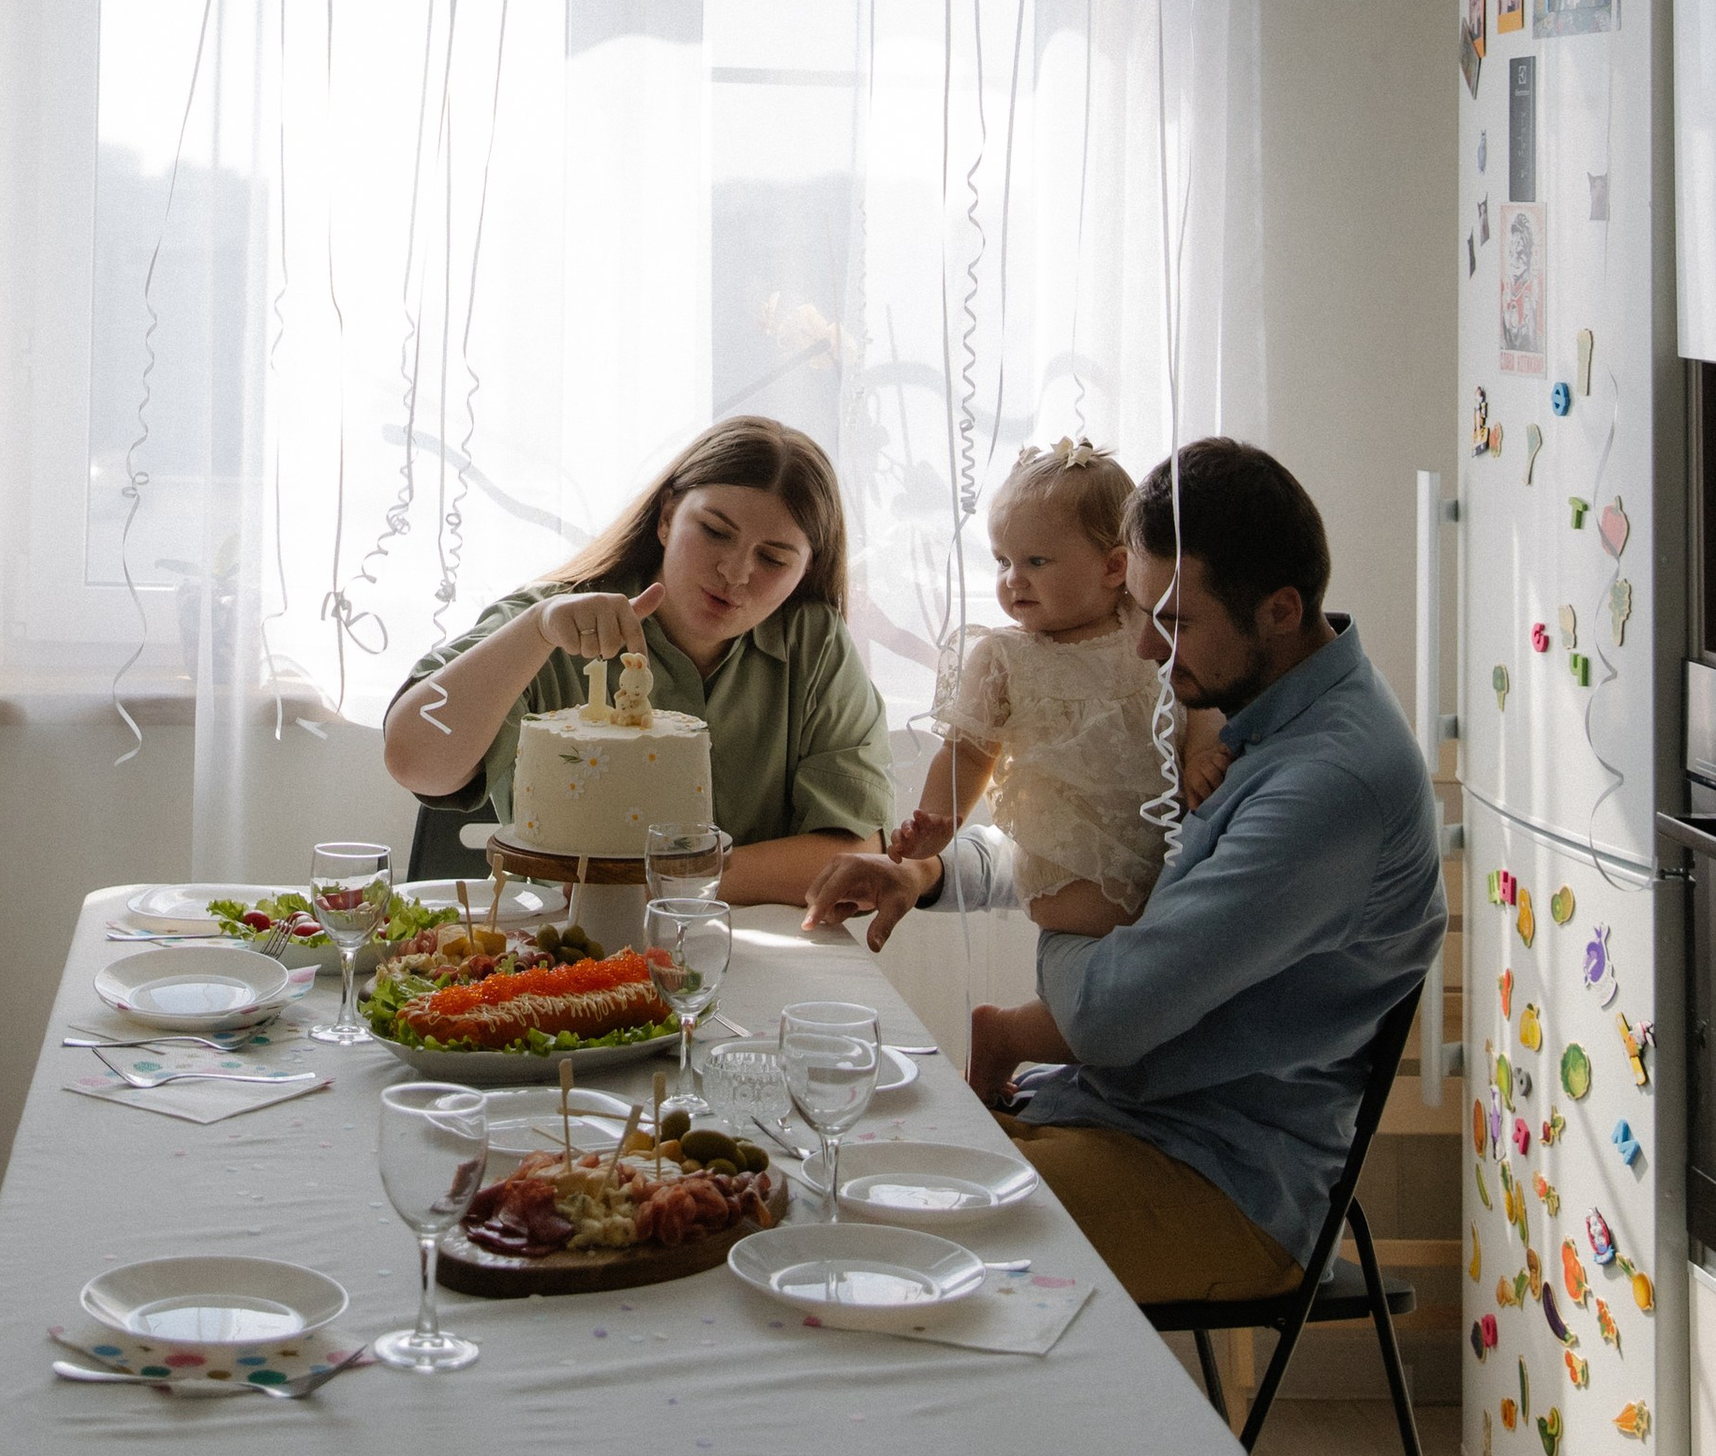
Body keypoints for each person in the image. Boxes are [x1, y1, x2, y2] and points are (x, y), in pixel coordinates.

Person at [803, 439, 1445, 1303]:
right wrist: (928, 877)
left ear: (1281, 611)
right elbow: (1101, 855)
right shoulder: (1263, 708)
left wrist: (1053, 929)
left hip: (1214, 1178)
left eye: (1171, 621)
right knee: (824, 1166)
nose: (1143, 649)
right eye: (1139, 611)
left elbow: (1106, 1016)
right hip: (1115, 1118)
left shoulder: (1328, 787)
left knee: (869, 1234)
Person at [382, 417, 894, 909]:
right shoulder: (550, 620)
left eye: (774, 559)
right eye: (715, 531)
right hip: (562, 954)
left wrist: (666, 884)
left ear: (807, 569)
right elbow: (414, 761)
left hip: (739, 953)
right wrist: (534, 633)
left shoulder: (815, 643)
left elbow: (854, 854)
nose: (735, 572)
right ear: (668, 515)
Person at [898, 436, 1227, 938]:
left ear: (1114, 567)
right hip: (1070, 876)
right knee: (1125, 947)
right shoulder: (1002, 657)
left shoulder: (1148, 625)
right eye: (1003, 562)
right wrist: (942, 821)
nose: (1013, 580)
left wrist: (1202, 752)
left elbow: (1197, 696)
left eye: (1036, 562)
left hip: (1169, 851)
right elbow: (965, 754)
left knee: (1185, 933)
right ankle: (1040, 1017)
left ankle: (1022, 1022)